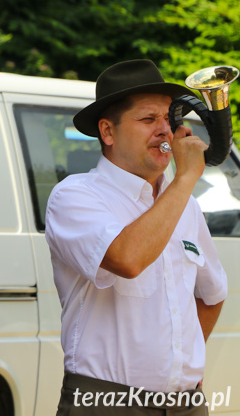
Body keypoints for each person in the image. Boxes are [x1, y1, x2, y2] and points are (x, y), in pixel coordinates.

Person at [45, 60, 228, 415]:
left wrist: (179, 368)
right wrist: (185, 178)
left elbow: (212, 294)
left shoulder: (183, 204)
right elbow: (126, 259)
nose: (165, 131)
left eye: (168, 119)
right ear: (107, 132)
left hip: (186, 404)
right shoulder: (75, 196)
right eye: (148, 120)